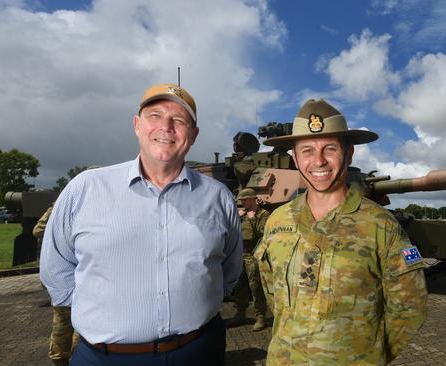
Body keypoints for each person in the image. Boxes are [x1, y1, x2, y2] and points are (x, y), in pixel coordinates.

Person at [40, 83, 242, 366]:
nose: (166, 127)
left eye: (179, 120)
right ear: (137, 125)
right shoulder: (85, 188)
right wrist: (102, 311)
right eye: (155, 116)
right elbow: (56, 268)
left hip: (197, 351)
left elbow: (229, 269)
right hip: (105, 358)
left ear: (193, 135)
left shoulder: (217, 196)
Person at [254, 99, 428, 365]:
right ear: (296, 159)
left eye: (330, 148)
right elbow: (273, 295)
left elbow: (409, 307)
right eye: (308, 150)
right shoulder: (278, 220)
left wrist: (367, 354)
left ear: (349, 154)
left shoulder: (380, 225)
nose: (319, 160)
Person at [34, 204, 79, 366]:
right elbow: (37, 230)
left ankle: (76, 355)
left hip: (85, 273)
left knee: (82, 322)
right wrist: (60, 232)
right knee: (64, 318)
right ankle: (60, 357)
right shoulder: (59, 206)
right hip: (64, 273)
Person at [227, 188, 270, 331]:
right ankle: (240, 313)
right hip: (240, 254)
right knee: (239, 286)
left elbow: (264, 233)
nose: (243, 203)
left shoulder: (263, 214)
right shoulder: (241, 214)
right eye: (241, 200)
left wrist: (253, 219)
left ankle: (260, 316)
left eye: (245, 200)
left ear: (253, 199)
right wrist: (237, 218)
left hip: (254, 254)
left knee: (255, 287)